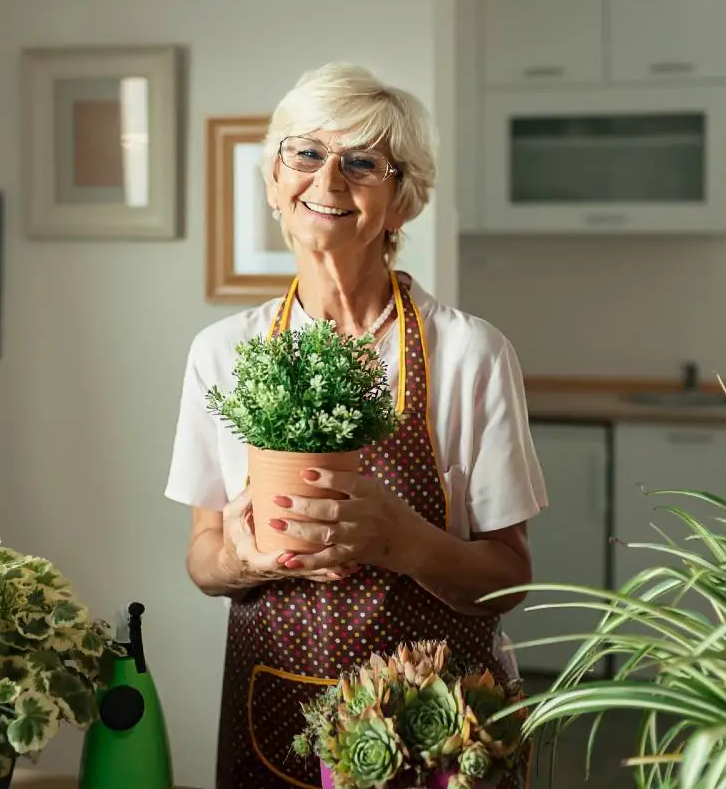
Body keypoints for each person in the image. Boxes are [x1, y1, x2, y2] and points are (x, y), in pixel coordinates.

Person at [164, 62, 548, 789]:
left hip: (435, 726)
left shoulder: (471, 354)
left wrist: (404, 542)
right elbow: (203, 557)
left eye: (363, 163)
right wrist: (246, 559)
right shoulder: (222, 354)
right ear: (275, 181)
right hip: (274, 710)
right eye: (306, 153)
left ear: (402, 203)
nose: (328, 180)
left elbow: (508, 579)